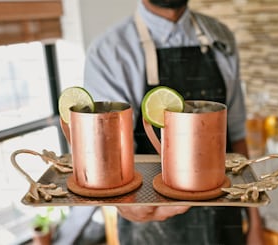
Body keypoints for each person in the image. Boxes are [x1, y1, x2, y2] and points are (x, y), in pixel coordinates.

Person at [84, 0, 264, 244]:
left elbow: (236, 136)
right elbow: (108, 157)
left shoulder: (221, 38)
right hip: (152, 230)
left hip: (225, 223)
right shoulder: (110, 52)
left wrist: (255, 221)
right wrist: (123, 204)